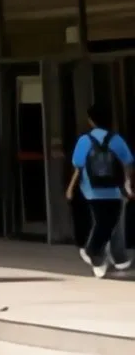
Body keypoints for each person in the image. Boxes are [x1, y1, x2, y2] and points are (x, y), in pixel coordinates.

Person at [68, 103, 134, 278]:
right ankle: (94, 253)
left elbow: (78, 167)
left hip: (91, 190)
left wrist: (71, 188)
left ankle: (97, 257)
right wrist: (127, 184)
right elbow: (128, 163)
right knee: (109, 223)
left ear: (91, 120)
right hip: (114, 190)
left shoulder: (84, 140)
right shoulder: (116, 139)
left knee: (100, 222)